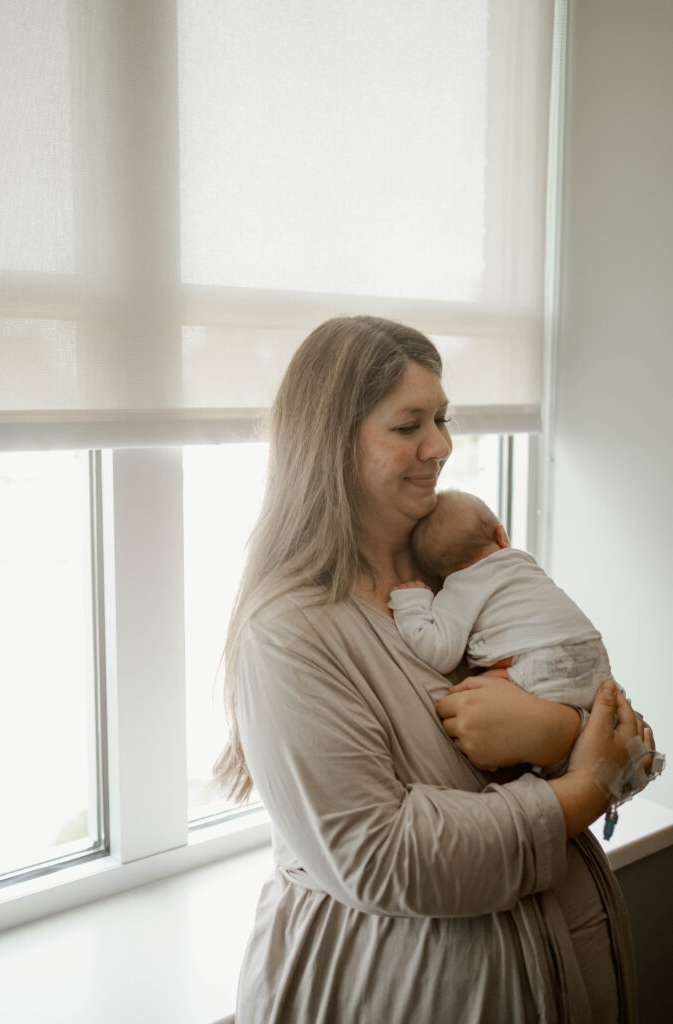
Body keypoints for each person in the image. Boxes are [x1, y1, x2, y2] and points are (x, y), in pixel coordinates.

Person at [215, 315, 653, 1023]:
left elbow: (634, 752)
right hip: (401, 990)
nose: (441, 446)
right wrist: (579, 789)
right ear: (331, 441)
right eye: (408, 424)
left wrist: (551, 732)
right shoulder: (291, 632)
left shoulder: (463, 569)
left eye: (442, 418)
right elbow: (383, 858)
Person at [389, 489, 613, 711]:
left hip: (542, 667)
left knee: (467, 696)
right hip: (595, 659)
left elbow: (439, 654)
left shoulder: (460, 588)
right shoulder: (524, 565)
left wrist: (411, 602)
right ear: (502, 536)